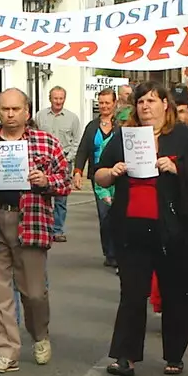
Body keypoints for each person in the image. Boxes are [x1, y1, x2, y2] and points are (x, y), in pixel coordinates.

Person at [91, 80, 188, 376]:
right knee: (132, 294)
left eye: (151, 101)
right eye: (141, 102)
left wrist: (177, 169)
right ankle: (126, 356)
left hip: (173, 229)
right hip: (132, 226)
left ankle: (174, 354)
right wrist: (112, 172)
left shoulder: (185, 138)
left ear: (165, 105)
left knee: (176, 294)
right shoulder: (124, 137)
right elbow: (100, 174)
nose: (145, 106)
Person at [0, 89, 71, 373]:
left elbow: (65, 183)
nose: (10, 114)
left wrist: (44, 180)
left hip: (31, 222)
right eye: (4, 109)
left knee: (34, 293)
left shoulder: (46, 142)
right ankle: (7, 351)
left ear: (27, 111)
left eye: (15, 109)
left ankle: (40, 335)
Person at [75, 88, 120, 267]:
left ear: (114, 103)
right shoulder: (92, 126)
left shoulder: (122, 125)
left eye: (107, 103)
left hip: (119, 176)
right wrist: (78, 172)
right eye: (101, 103)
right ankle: (109, 253)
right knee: (105, 214)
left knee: (119, 214)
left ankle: (120, 251)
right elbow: (83, 150)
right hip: (99, 179)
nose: (104, 106)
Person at [39, 85, 82, 241]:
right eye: (55, 98)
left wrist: (69, 157)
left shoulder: (72, 118)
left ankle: (58, 230)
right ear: (50, 99)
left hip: (64, 160)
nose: (58, 101)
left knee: (61, 199)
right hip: (44, 161)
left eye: (61, 98)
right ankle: (45, 229)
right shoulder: (40, 116)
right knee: (43, 197)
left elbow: (77, 140)